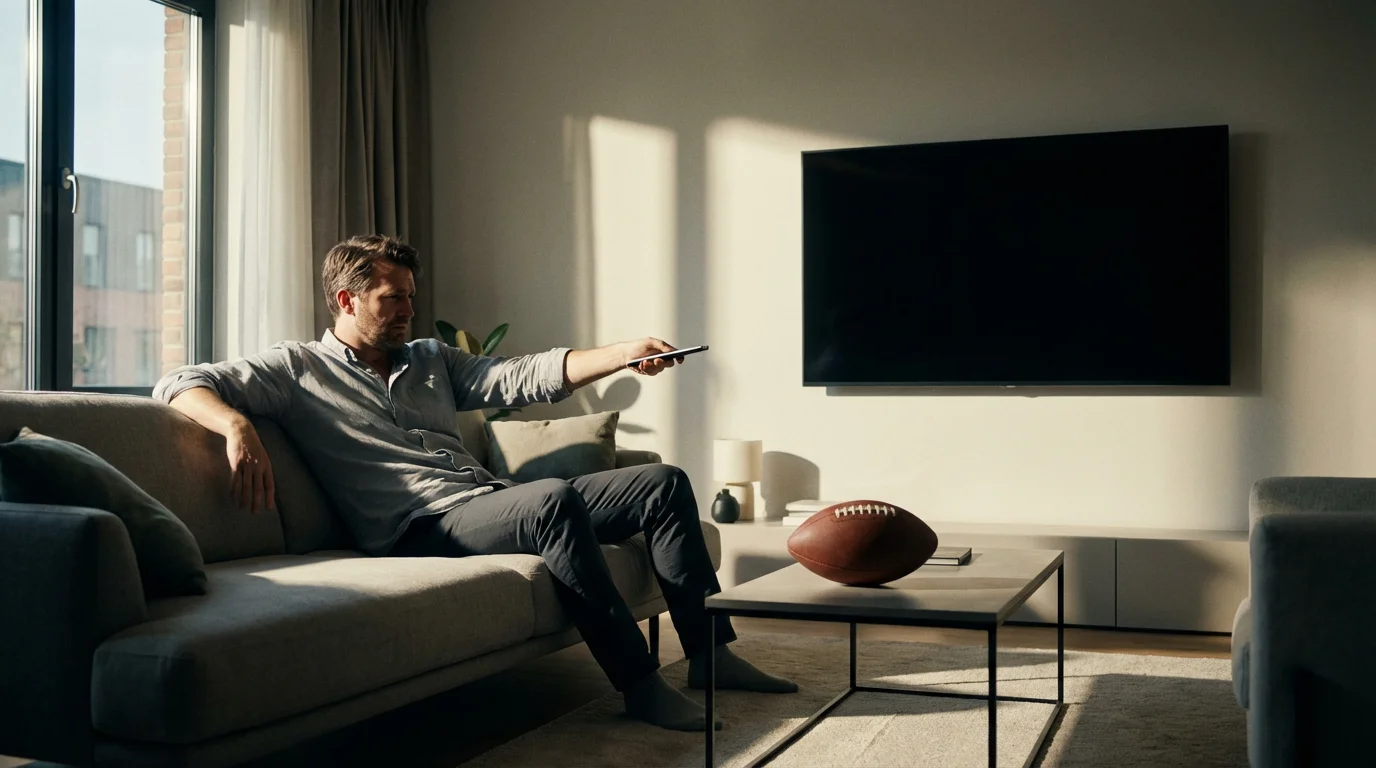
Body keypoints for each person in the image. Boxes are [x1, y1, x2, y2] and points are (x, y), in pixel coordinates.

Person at [152, 234, 796, 732]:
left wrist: (624, 353)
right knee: (552, 500)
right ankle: (639, 684)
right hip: (416, 527)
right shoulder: (295, 369)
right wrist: (236, 424)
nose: (409, 310)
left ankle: (711, 653)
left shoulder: (429, 359)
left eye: (410, 295)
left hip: (482, 504)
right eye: (392, 298)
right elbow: (178, 383)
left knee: (660, 482)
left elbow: (521, 377)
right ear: (346, 301)